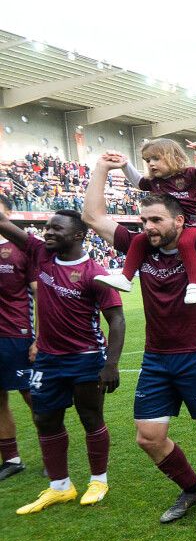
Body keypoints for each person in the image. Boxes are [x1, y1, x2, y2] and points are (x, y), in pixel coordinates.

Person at [84, 143, 196, 532]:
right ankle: (194, 489)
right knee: (148, 437)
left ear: (180, 221)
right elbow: (93, 216)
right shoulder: (140, 245)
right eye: (143, 219)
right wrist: (102, 167)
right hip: (157, 357)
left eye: (155, 220)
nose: (147, 227)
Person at [0, 208, 125, 513]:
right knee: (45, 419)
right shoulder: (40, 254)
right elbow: (4, 224)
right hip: (47, 360)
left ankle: (98, 480)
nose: (49, 233)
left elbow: (117, 320)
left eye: (57, 229)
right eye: (47, 228)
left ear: (79, 235)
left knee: (90, 418)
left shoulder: (96, 274)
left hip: (86, 358)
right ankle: (60, 486)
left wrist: (111, 364)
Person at [96, 139, 196, 304]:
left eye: (156, 159)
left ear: (173, 156)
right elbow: (138, 183)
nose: (151, 164)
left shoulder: (191, 174)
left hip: (195, 224)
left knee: (186, 241)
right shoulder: (155, 182)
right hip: (168, 226)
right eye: (147, 160)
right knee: (140, 239)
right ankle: (125, 278)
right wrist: (124, 165)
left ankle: (195, 284)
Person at [0, 194, 35, 480]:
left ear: (8, 214)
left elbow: (39, 293)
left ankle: (52, 452)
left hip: (17, 333)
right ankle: (11, 459)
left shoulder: (21, 248)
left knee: (33, 396)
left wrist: (40, 338)